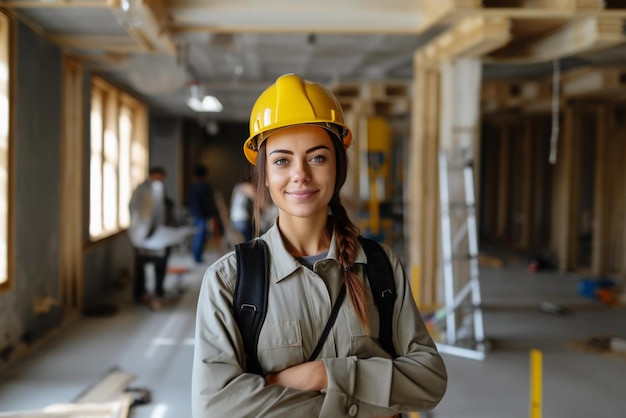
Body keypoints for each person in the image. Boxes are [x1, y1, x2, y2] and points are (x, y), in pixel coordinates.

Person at [191, 74, 447, 417]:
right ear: (264, 173)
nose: (300, 174)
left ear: (338, 167)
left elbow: (429, 380)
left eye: (317, 157)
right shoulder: (230, 281)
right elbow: (216, 408)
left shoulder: (380, 266)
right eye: (282, 160)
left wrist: (323, 374)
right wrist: (366, 398)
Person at [128, 166, 171, 309]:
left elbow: (162, 212)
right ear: (152, 175)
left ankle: (158, 293)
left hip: (157, 233)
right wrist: (143, 230)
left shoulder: (158, 189)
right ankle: (140, 294)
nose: (160, 180)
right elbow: (136, 210)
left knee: (160, 265)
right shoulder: (143, 190)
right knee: (141, 266)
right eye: (158, 177)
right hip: (143, 234)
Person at [187, 164, 223, 263]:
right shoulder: (204, 186)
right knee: (200, 236)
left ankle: (196, 256)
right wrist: (212, 215)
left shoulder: (193, 186)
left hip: (194, 214)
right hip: (201, 215)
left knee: (197, 236)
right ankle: (197, 257)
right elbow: (207, 203)